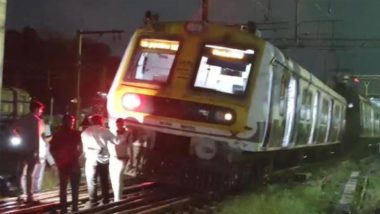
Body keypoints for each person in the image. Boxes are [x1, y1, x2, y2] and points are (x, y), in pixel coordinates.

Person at [50, 115, 82, 213]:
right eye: (71, 121)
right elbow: (80, 147)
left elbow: (52, 149)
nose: (72, 123)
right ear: (70, 122)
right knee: (74, 187)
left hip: (63, 164)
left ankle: (64, 209)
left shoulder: (57, 134)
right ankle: (75, 208)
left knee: (63, 188)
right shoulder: (76, 133)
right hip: (73, 163)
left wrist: (57, 159)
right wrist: (77, 155)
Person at [14, 100, 44, 203]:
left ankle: (19, 194)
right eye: (40, 110)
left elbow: (14, 128)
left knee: (21, 172)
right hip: (31, 149)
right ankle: (29, 196)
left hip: (22, 148)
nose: (40, 112)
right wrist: (37, 153)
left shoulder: (23, 119)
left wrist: (20, 136)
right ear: (36, 109)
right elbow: (36, 137)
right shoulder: (36, 120)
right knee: (30, 174)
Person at [81, 114, 114, 206]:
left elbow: (84, 148)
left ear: (92, 121)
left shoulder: (85, 132)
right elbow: (116, 141)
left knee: (91, 181)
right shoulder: (105, 131)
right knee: (104, 180)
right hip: (103, 160)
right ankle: (106, 200)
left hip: (90, 159)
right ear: (101, 121)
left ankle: (93, 200)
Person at [108, 118, 134, 202]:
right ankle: (116, 196)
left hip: (122, 158)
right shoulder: (113, 133)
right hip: (113, 158)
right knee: (113, 178)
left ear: (123, 124)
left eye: (120, 124)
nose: (118, 125)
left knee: (119, 177)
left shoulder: (128, 133)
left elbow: (130, 147)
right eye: (117, 124)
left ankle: (118, 199)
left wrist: (132, 160)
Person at [32, 121, 56, 193]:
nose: (49, 140)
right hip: (36, 160)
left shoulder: (47, 143)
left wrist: (52, 163)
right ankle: (32, 191)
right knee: (34, 177)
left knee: (39, 178)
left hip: (43, 161)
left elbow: (47, 153)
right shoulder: (36, 141)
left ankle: (37, 191)